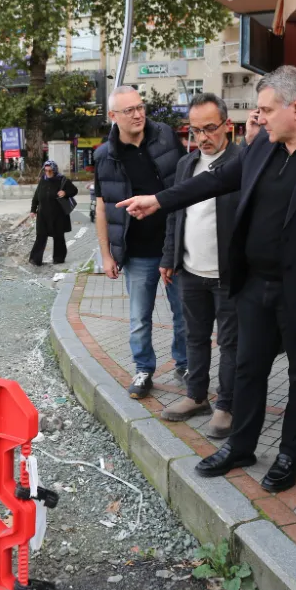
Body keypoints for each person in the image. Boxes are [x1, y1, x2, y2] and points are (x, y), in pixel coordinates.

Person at [119, 66, 296, 492]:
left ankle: (291, 455)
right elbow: (216, 180)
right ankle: (241, 446)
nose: (258, 118)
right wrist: (159, 201)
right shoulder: (263, 149)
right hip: (255, 286)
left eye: (266, 110)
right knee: (248, 368)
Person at [94, 85, 188, 399]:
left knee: (184, 314)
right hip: (136, 252)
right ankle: (144, 369)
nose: (138, 115)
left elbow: (187, 183)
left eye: (140, 107)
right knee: (139, 318)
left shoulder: (165, 136)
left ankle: (185, 365)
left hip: (174, 245)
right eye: (129, 110)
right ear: (113, 116)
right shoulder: (104, 156)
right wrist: (106, 255)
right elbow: (101, 207)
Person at [159, 93, 241, 439]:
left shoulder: (242, 163)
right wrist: (169, 257)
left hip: (229, 274)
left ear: (227, 125)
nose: (203, 137)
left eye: (210, 128)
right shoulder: (186, 164)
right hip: (190, 272)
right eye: (195, 130)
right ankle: (196, 397)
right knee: (194, 337)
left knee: (231, 342)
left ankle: (226, 406)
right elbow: (175, 214)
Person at [29, 160, 78, 266]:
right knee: (40, 236)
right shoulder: (43, 180)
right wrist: (33, 210)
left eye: (50, 171)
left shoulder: (62, 180)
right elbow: (36, 196)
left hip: (58, 215)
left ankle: (59, 258)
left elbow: (74, 190)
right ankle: (35, 259)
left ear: (54, 171)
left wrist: (65, 192)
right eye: (45, 170)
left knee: (58, 236)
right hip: (43, 214)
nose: (47, 173)